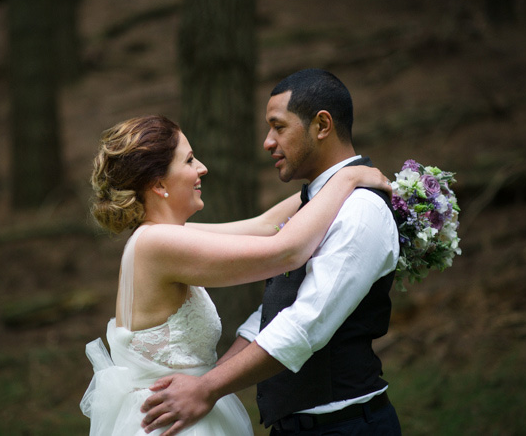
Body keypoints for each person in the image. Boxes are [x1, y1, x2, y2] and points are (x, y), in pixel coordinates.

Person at [79, 114, 392, 435]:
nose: (202, 168)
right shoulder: (157, 243)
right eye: (188, 160)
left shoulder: (162, 236)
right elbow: (286, 251)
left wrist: (332, 177)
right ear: (158, 184)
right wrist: (346, 180)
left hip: (188, 408)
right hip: (172, 420)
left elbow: (266, 226)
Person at [141, 69, 402, 435]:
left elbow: (305, 324)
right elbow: (275, 312)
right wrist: (208, 385)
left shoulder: (361, 210)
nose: (267, 142)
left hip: (344, 426)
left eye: (279, 127)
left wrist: (208, 388)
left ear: (322, 125)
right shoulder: (317, 203)